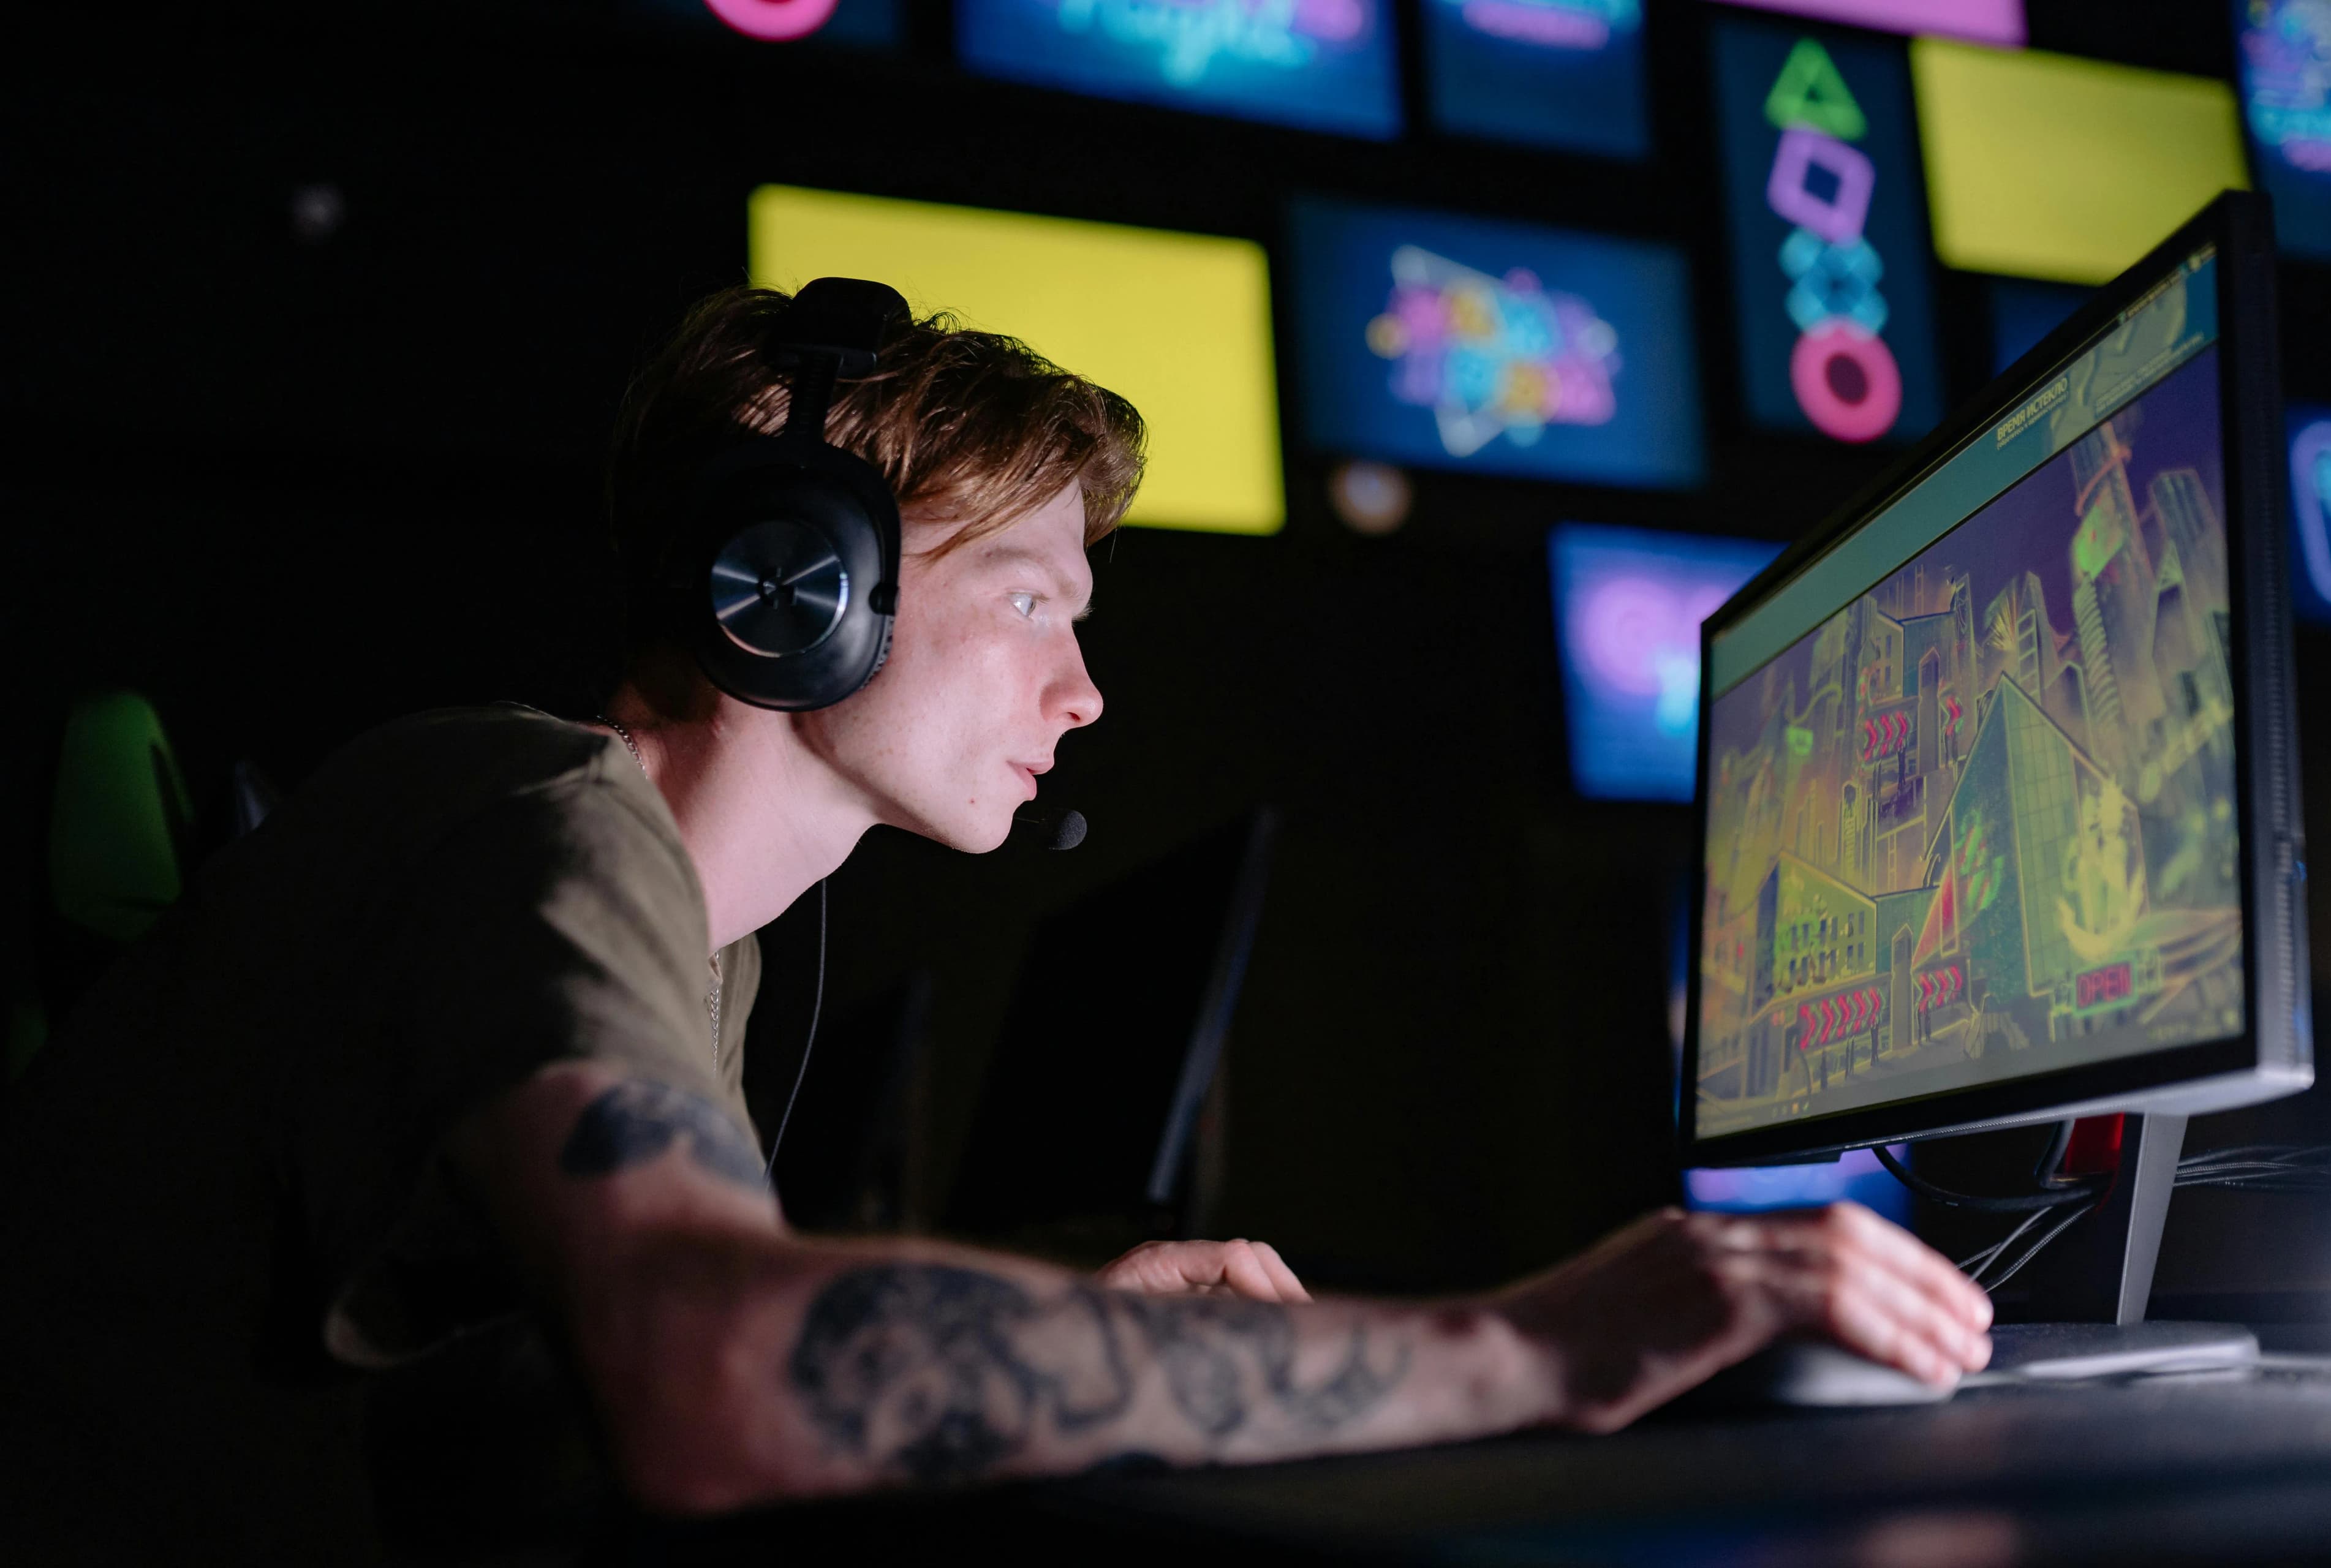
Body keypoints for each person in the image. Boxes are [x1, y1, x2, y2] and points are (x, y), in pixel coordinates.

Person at [0, 286, 1990, 1560]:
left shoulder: (717, 936)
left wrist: (1066, 1343)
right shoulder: (541, 827)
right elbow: (707, 1379)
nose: (1088, 688)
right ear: (802, 583)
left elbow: (534, 1391)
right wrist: (1524, 1350)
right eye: (1039, 597)